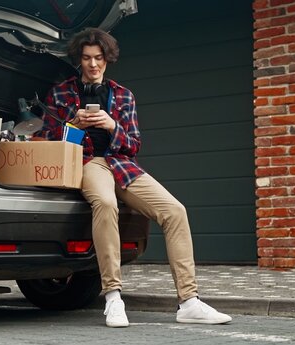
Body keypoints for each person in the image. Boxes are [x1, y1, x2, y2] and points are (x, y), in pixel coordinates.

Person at [35, 28, 232, 328]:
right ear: (79, 59)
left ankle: (189, 302)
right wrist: (73, 124)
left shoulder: (123, 95)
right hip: (87, 163)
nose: (92, 64)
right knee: (105, 203)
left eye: (98, 58)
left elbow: (134, 143)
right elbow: (47, 140)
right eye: (86, 58)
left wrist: (112, 125)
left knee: (175, 211)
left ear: (107, 59)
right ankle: (113, 298)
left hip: (122, 164)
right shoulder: (61, 93)